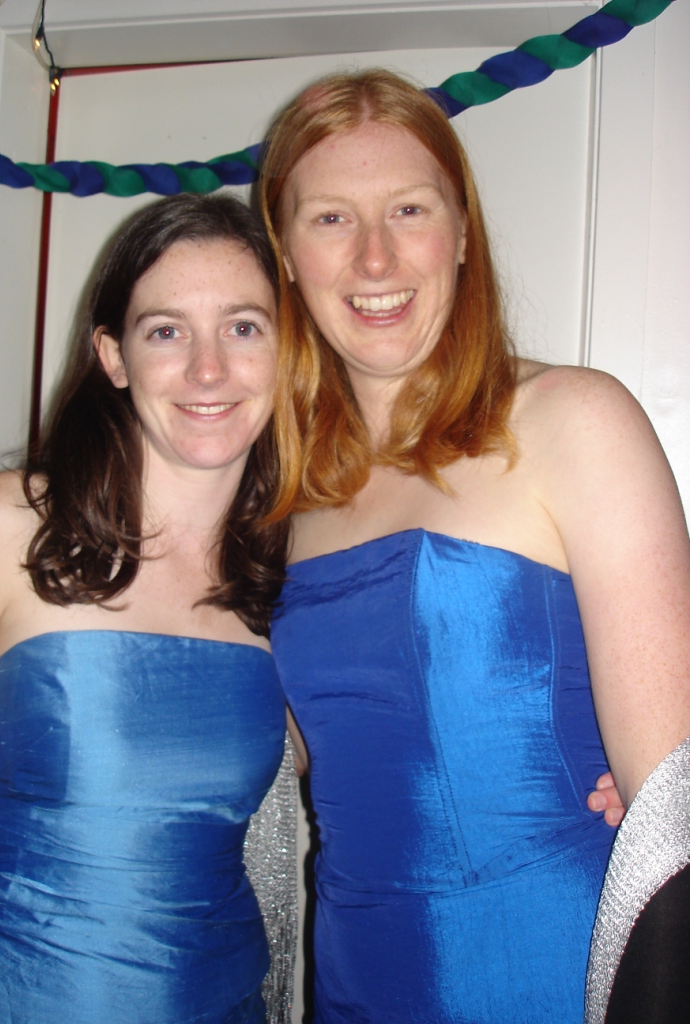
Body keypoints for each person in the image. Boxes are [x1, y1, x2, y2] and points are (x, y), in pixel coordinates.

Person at [258, 69, 690, 1022]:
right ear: (284, 252)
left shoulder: (575, 421)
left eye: (409, 209)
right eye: (330, 219)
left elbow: (675, 810)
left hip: (550, 968)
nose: (374, 257)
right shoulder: (280, 496)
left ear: (461, 233)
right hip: (351, 979)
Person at [0, 193, 292, 1023]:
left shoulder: (289, 581)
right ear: (114, 357)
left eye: (243, 327)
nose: (208, 369)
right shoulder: (2, 527)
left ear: (287, 351)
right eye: (166, 331)